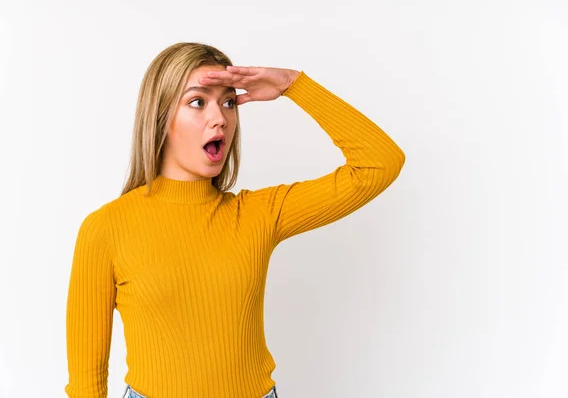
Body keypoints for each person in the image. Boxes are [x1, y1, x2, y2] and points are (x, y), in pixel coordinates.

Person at [64, 42, 405, 398]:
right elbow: (86, 382)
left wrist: (294, 85)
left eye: (228, 102)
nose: (220, 117)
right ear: (160, 116)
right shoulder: (106, 228)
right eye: (198, 102)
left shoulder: (259, 214)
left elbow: (379, 164)